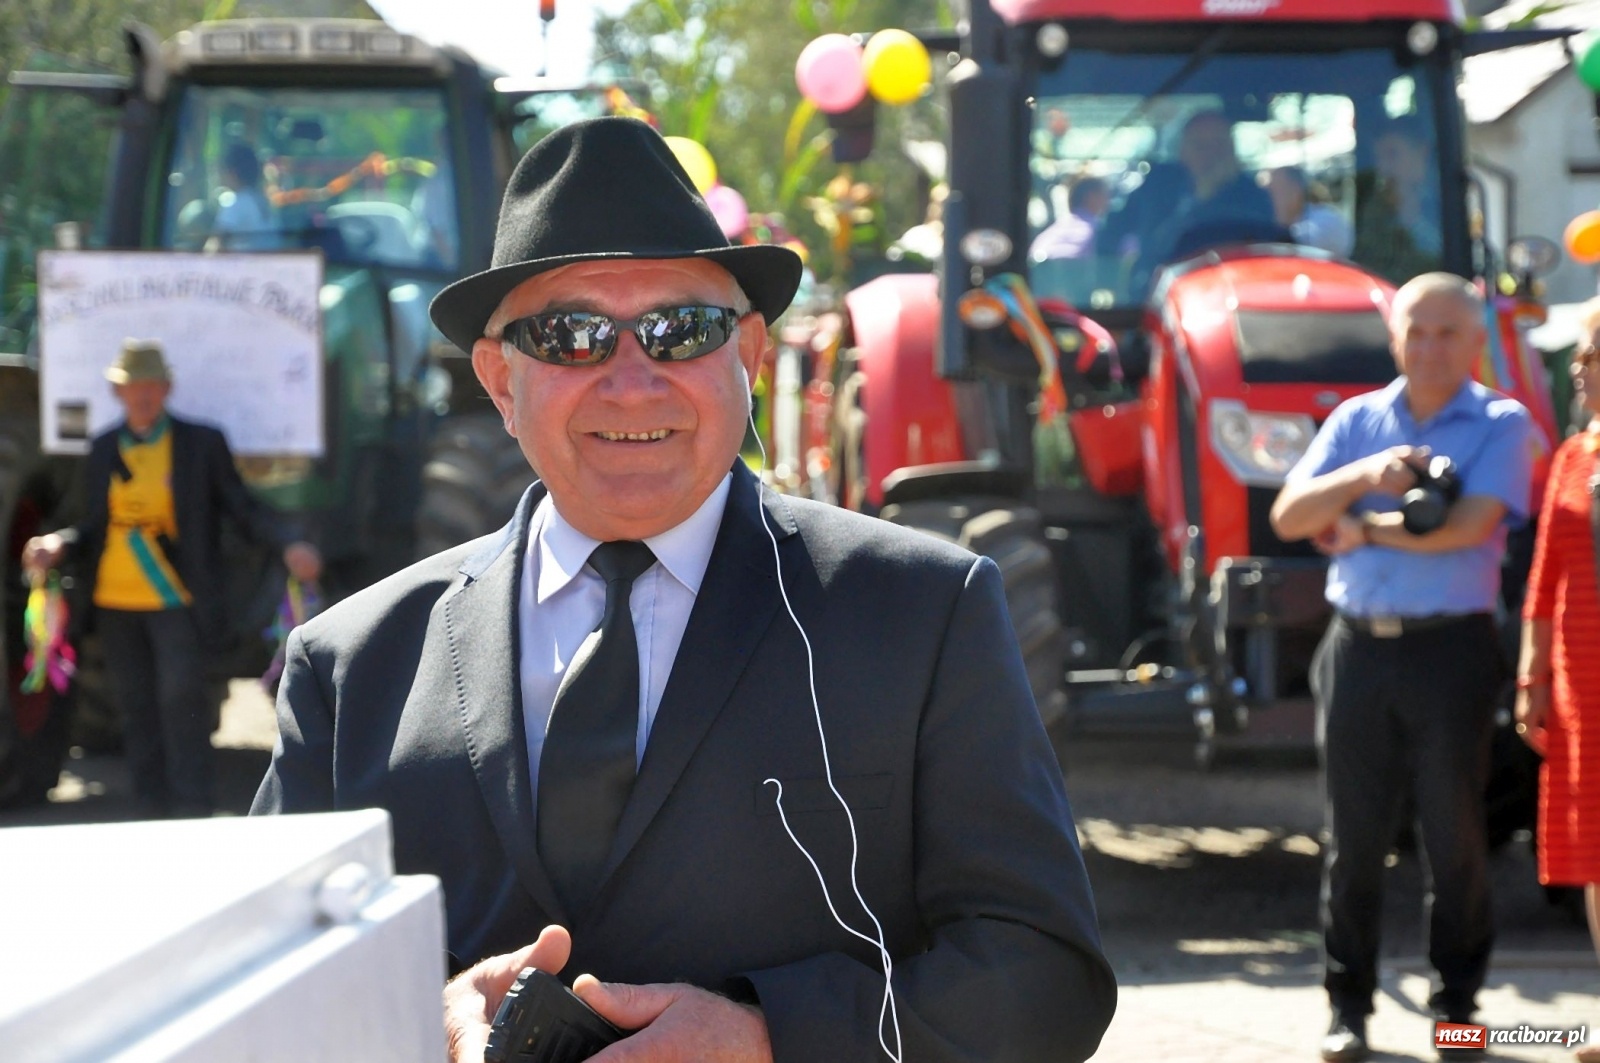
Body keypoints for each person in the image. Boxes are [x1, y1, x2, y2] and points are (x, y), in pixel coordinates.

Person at [251, 116, 1116, 1063]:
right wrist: (425, 1011)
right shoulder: (350, 668)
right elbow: (261, 982)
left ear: (746, 354)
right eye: (570, 333)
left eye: (681, 329)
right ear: (499, 377)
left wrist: (773, 1038)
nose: (632, 380)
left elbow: (1045, 976)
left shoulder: (922, 612)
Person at [1269, 273, 1533, 1062]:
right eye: (1415, 331)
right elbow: (1291, 515)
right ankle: (1347, 1006)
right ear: (1393, 338)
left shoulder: (1500, 422)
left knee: (1454, 836)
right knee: (1350, 837)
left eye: (1448, 332)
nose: (1429, 347)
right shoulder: (1358, 420)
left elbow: (1469, 527)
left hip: (1450, 647)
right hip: (1355, 647)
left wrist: (1363, 529)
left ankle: (1457, 1005)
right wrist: (1364, 477)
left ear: (1477, 340)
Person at [22, 339, 321, 817]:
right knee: (135, 708)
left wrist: (289, 543)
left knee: (182, 704)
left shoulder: (200, 444)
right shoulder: (102, 448)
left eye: (150, 386)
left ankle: (191, 806)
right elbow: (91, 526)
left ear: (165, 389)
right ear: (118, 392)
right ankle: (148, 807)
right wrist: (58, 543)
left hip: (177, 599)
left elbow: (240, 508)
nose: (141, 395)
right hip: (115, 601)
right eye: (131, 387)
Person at [1516, 299, 1600, 1063]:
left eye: (1593, 352)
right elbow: (1546, 572)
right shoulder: (1575, 453)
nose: (1579, 368)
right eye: (1579, 354)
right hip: (1582, 682)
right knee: (1596, 849)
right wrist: (1531, 674)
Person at [1100, 109, 1277, 296]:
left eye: (1219, 145)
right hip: (1152, 299)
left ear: (1232, 152)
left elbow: (1263, 248)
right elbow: (1113, 233)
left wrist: (1209, 196)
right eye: (1200, 145)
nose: (1211, 154)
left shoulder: (1252, 197)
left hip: (1228, 296)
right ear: (1182, 151)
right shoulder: (1158, 187)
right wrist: (1105, 284)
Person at [1352, 116, 1442, 284]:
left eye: (1392, 155)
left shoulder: (1448, 197)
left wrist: (1413, 222)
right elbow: (1369, 267)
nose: (1384, 168)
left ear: (1422, 152)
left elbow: (1447, 261)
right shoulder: (1377, 207)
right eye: (1379, 158)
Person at [1266, 166, 1354, 258]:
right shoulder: (1278, 224)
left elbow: (1296, 244)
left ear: (1295, 190)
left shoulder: (1327, 220)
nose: (1267, 198)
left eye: (1273, 190)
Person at [1029, 176, 1111, 263]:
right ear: (1091, 196)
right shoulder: (1093, 231)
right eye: (1105, 194)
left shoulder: (1055, 228)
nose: (1108, 200)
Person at [212, 142, 278, 250]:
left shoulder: (237, 204)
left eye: (221, 169)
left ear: (232, 172)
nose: (218, 174)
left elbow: (216, 244)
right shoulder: (261, 201)